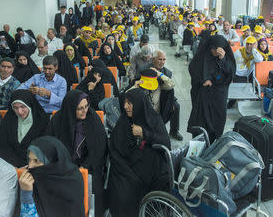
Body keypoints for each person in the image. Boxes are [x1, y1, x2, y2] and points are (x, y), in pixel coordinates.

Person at [108, 88, 170, 217]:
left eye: (129, 103)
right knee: (124, 193)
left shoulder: (153, 119)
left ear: (139, 104)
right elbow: (115, 151)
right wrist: (129, 173)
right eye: (124, 103)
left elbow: (165, 143)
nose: (125, 107)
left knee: (165, 179)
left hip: (150, 167)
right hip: (127, 168)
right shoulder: (123, 123)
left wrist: (144, 133)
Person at [47, 90, 107, 217]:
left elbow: (99, 149)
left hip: (88, 166)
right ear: (71, 108)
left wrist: (85, 166)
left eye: (86, 106)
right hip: (63, 166)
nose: (84, 111)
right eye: (80, 108)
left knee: (94, 189)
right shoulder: (57, 120)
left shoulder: (93, 119)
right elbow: (51, 147)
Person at [18, 136, 85, 217]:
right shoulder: (29, 183)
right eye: (29, 160)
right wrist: (26, 194)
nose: (30, 166)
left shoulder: (72, 182)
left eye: (36, 161)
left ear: (51, 162)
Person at [188, 35, 236, 142]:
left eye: (218, 49)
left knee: (218, 121)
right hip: (203, 94)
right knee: (201, 122)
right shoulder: (203, 55)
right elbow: (192, 68)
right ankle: (200, 146)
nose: (215, 51)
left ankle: (215, 144)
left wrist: (222, 59)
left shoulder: (227, 57)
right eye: (213, 49)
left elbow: (230, 73)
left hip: (219, 95)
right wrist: (203, 80)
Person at [135, 50, 182, 140]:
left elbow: (169, 89)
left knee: (176, 106)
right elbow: (136, 83)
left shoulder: (167, 72)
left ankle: (174, 131)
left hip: (162, 95)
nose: (162, 62)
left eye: (164, 59)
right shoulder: (143, 69)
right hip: (147, 94)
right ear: (153, 59)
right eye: (160, 59)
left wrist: (171, 102)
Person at [0, 89, 49, 167]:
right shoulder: (9, 120)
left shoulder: (43, 122)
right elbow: (2, 145)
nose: (20, 111)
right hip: (10, 166)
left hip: (35, 166)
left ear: (30, 105)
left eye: (23, 107)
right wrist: (13, 166)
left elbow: (44, 148)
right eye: (15, 108)